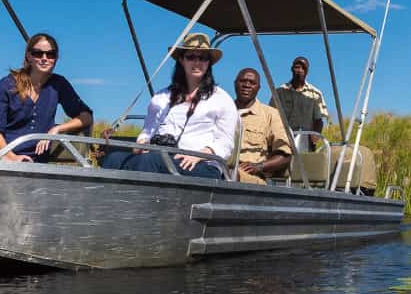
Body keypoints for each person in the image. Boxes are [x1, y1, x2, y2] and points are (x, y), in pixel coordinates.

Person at [101, 33, 237, 179]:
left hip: (201, 164)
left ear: (208, 63)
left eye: (203, 58)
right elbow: (148, 130)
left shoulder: (222, 99)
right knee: (113, 159)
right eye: (191, 57)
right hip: (162, 156)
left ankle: (141, 200)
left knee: (151, 161)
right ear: (181, 60)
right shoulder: (161, 97)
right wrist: (142, 144)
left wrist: (199, 155)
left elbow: (225, 143)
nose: (197, 62)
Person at [0, 33, 93, 162]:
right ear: (28, 56)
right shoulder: (8, 84)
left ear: (56, 58)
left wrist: (56, 129)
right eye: (38, 53)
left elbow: (86, 116)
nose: (44, 58)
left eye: (50, 54)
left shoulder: (59, 85)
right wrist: (11, 157)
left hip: (31, 160)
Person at [233, 68, 292, 185]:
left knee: (229, 174)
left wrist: (259, 166)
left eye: (252, 83)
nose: (247, 85)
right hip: (218, 167)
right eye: (242, 81)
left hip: (251, 177)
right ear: (235, 84)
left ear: (258, 88)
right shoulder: (223, 110)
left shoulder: (271, 114)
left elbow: (285, 156)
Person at [270, 56, 327, 150]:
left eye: (303, 68)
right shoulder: (279, 92)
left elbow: (318, 120)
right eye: (297, 67)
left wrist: (314, 137)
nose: (300, 70)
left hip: (306, 141)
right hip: (283, 140)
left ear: (307, 71)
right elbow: (271, 116)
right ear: (292, 69)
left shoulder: (315, 93)